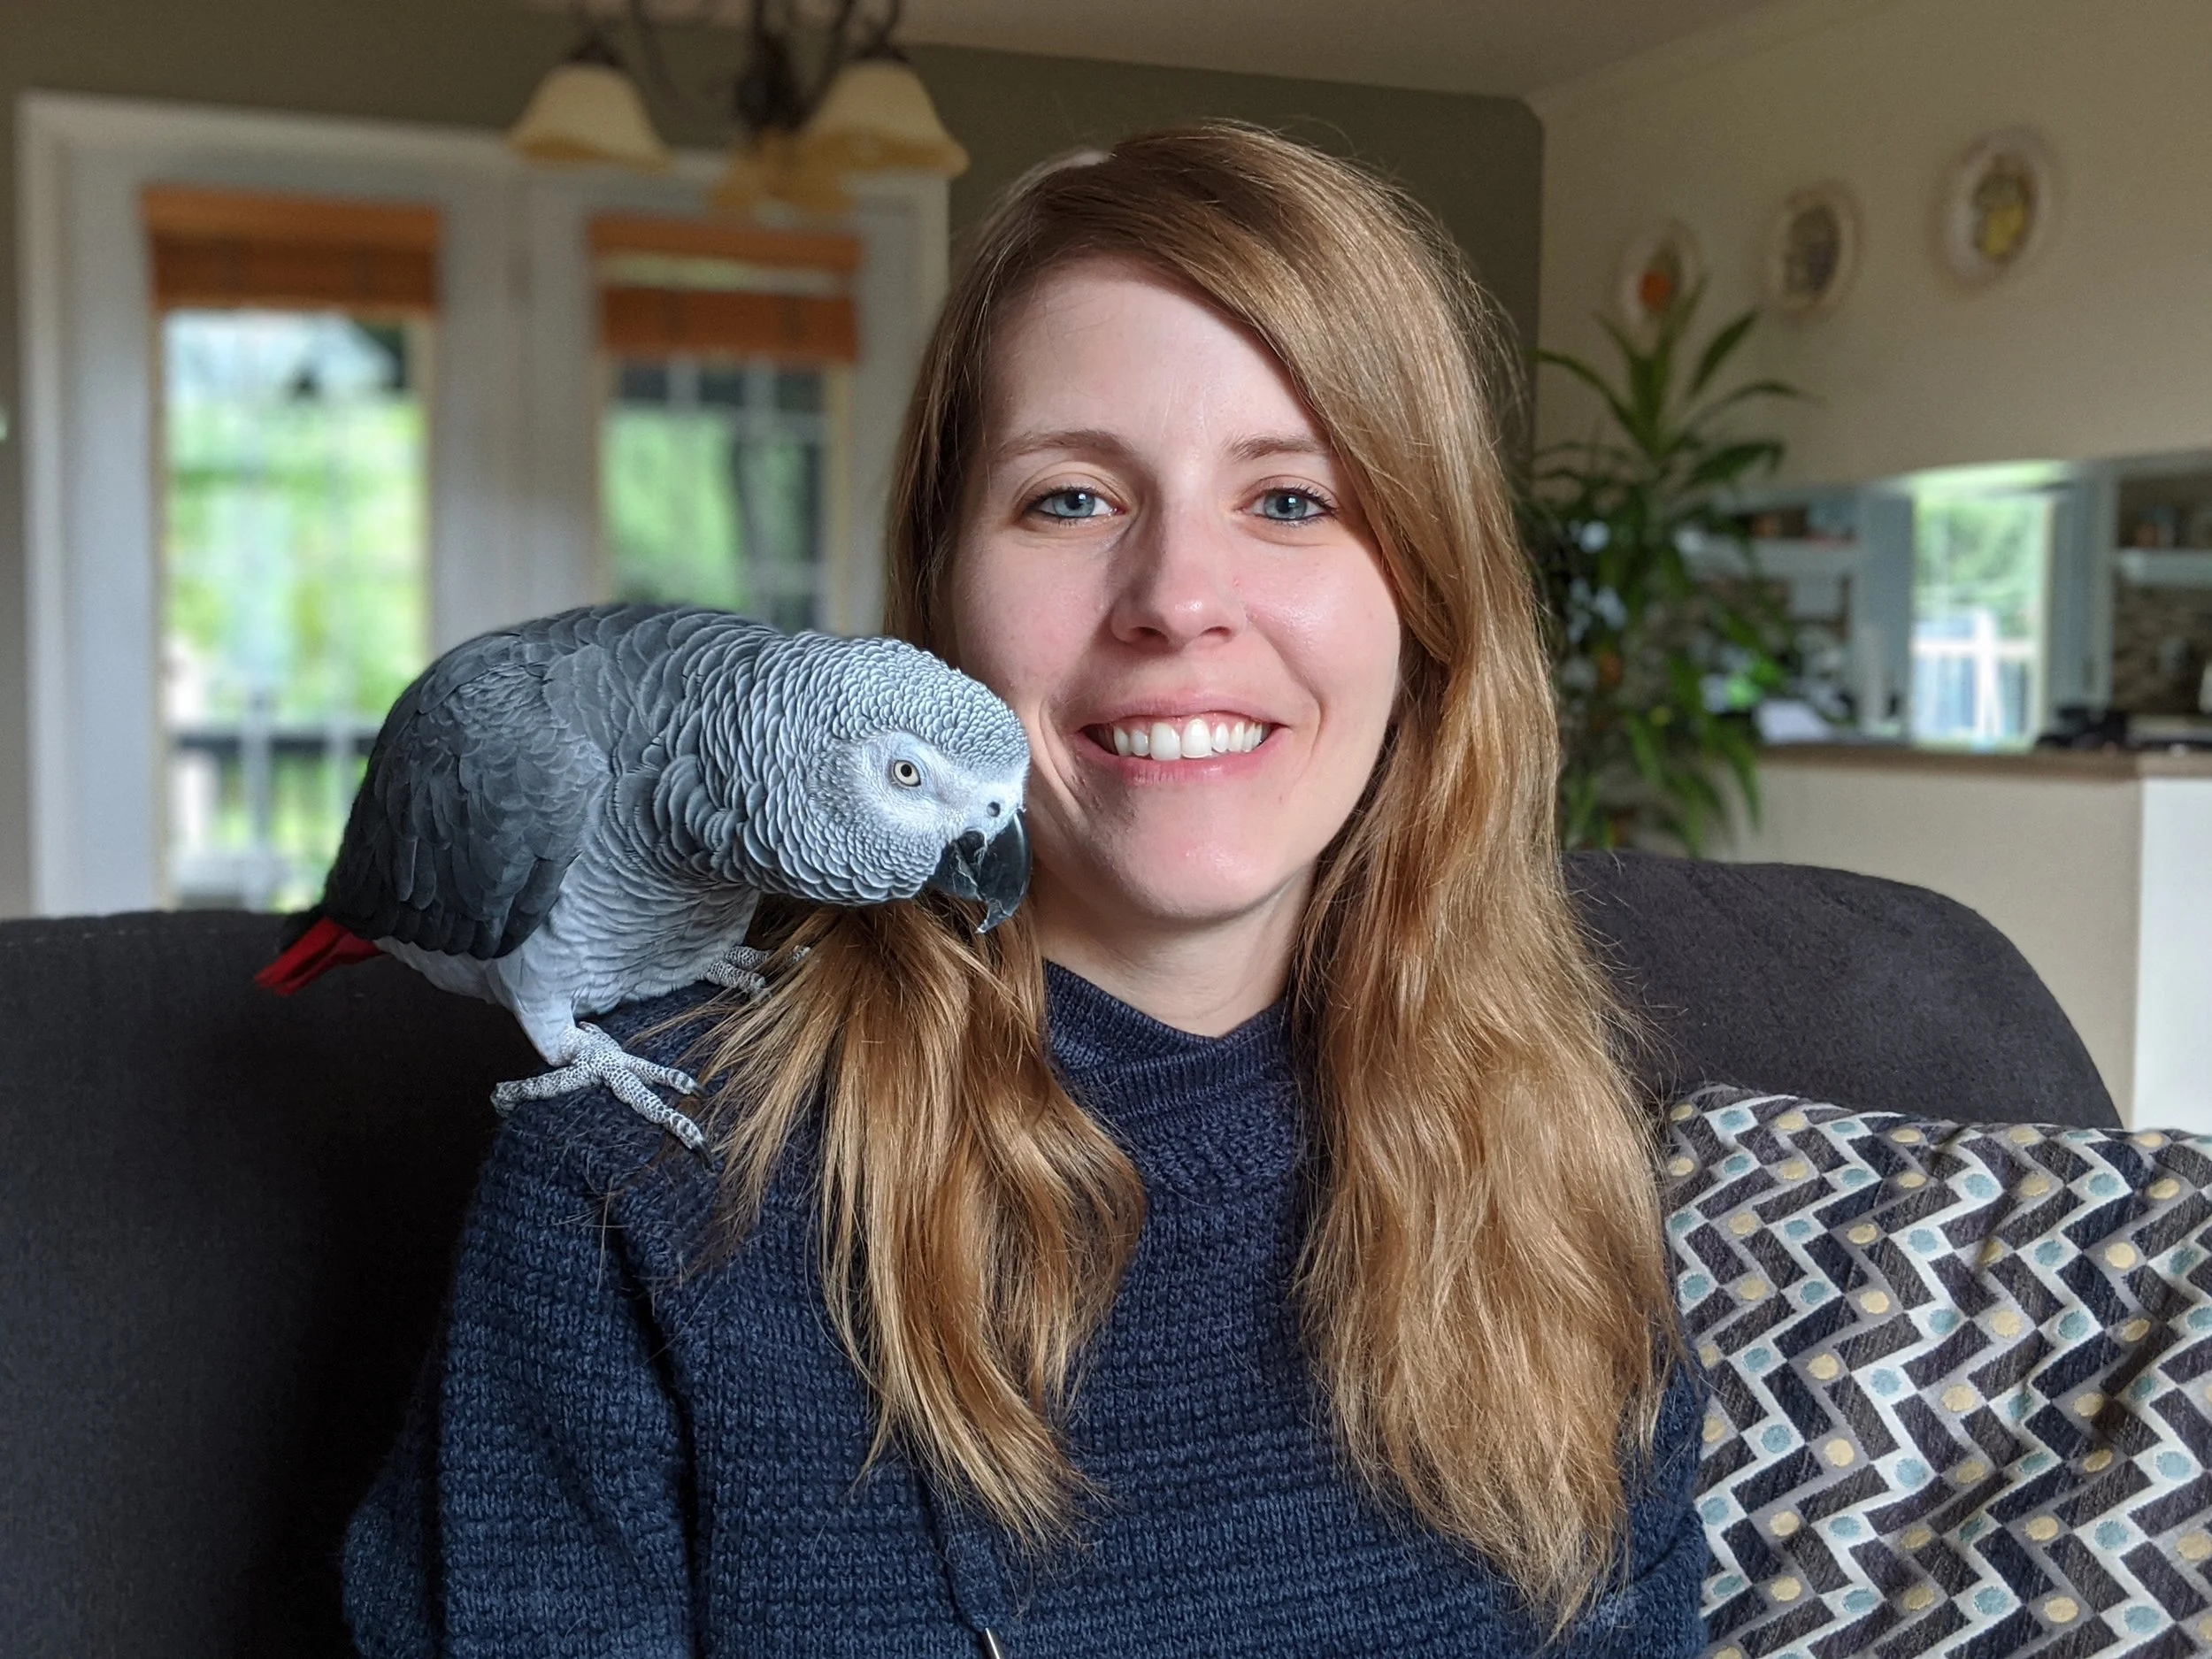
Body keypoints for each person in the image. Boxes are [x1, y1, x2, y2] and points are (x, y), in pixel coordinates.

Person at [342, 123, 1706, 1658]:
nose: (1178, 600)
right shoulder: (635, 1188)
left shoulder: (1562, 1170)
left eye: (1291, 499)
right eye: (1069, 498)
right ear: (937, 603)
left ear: (1430, 601)